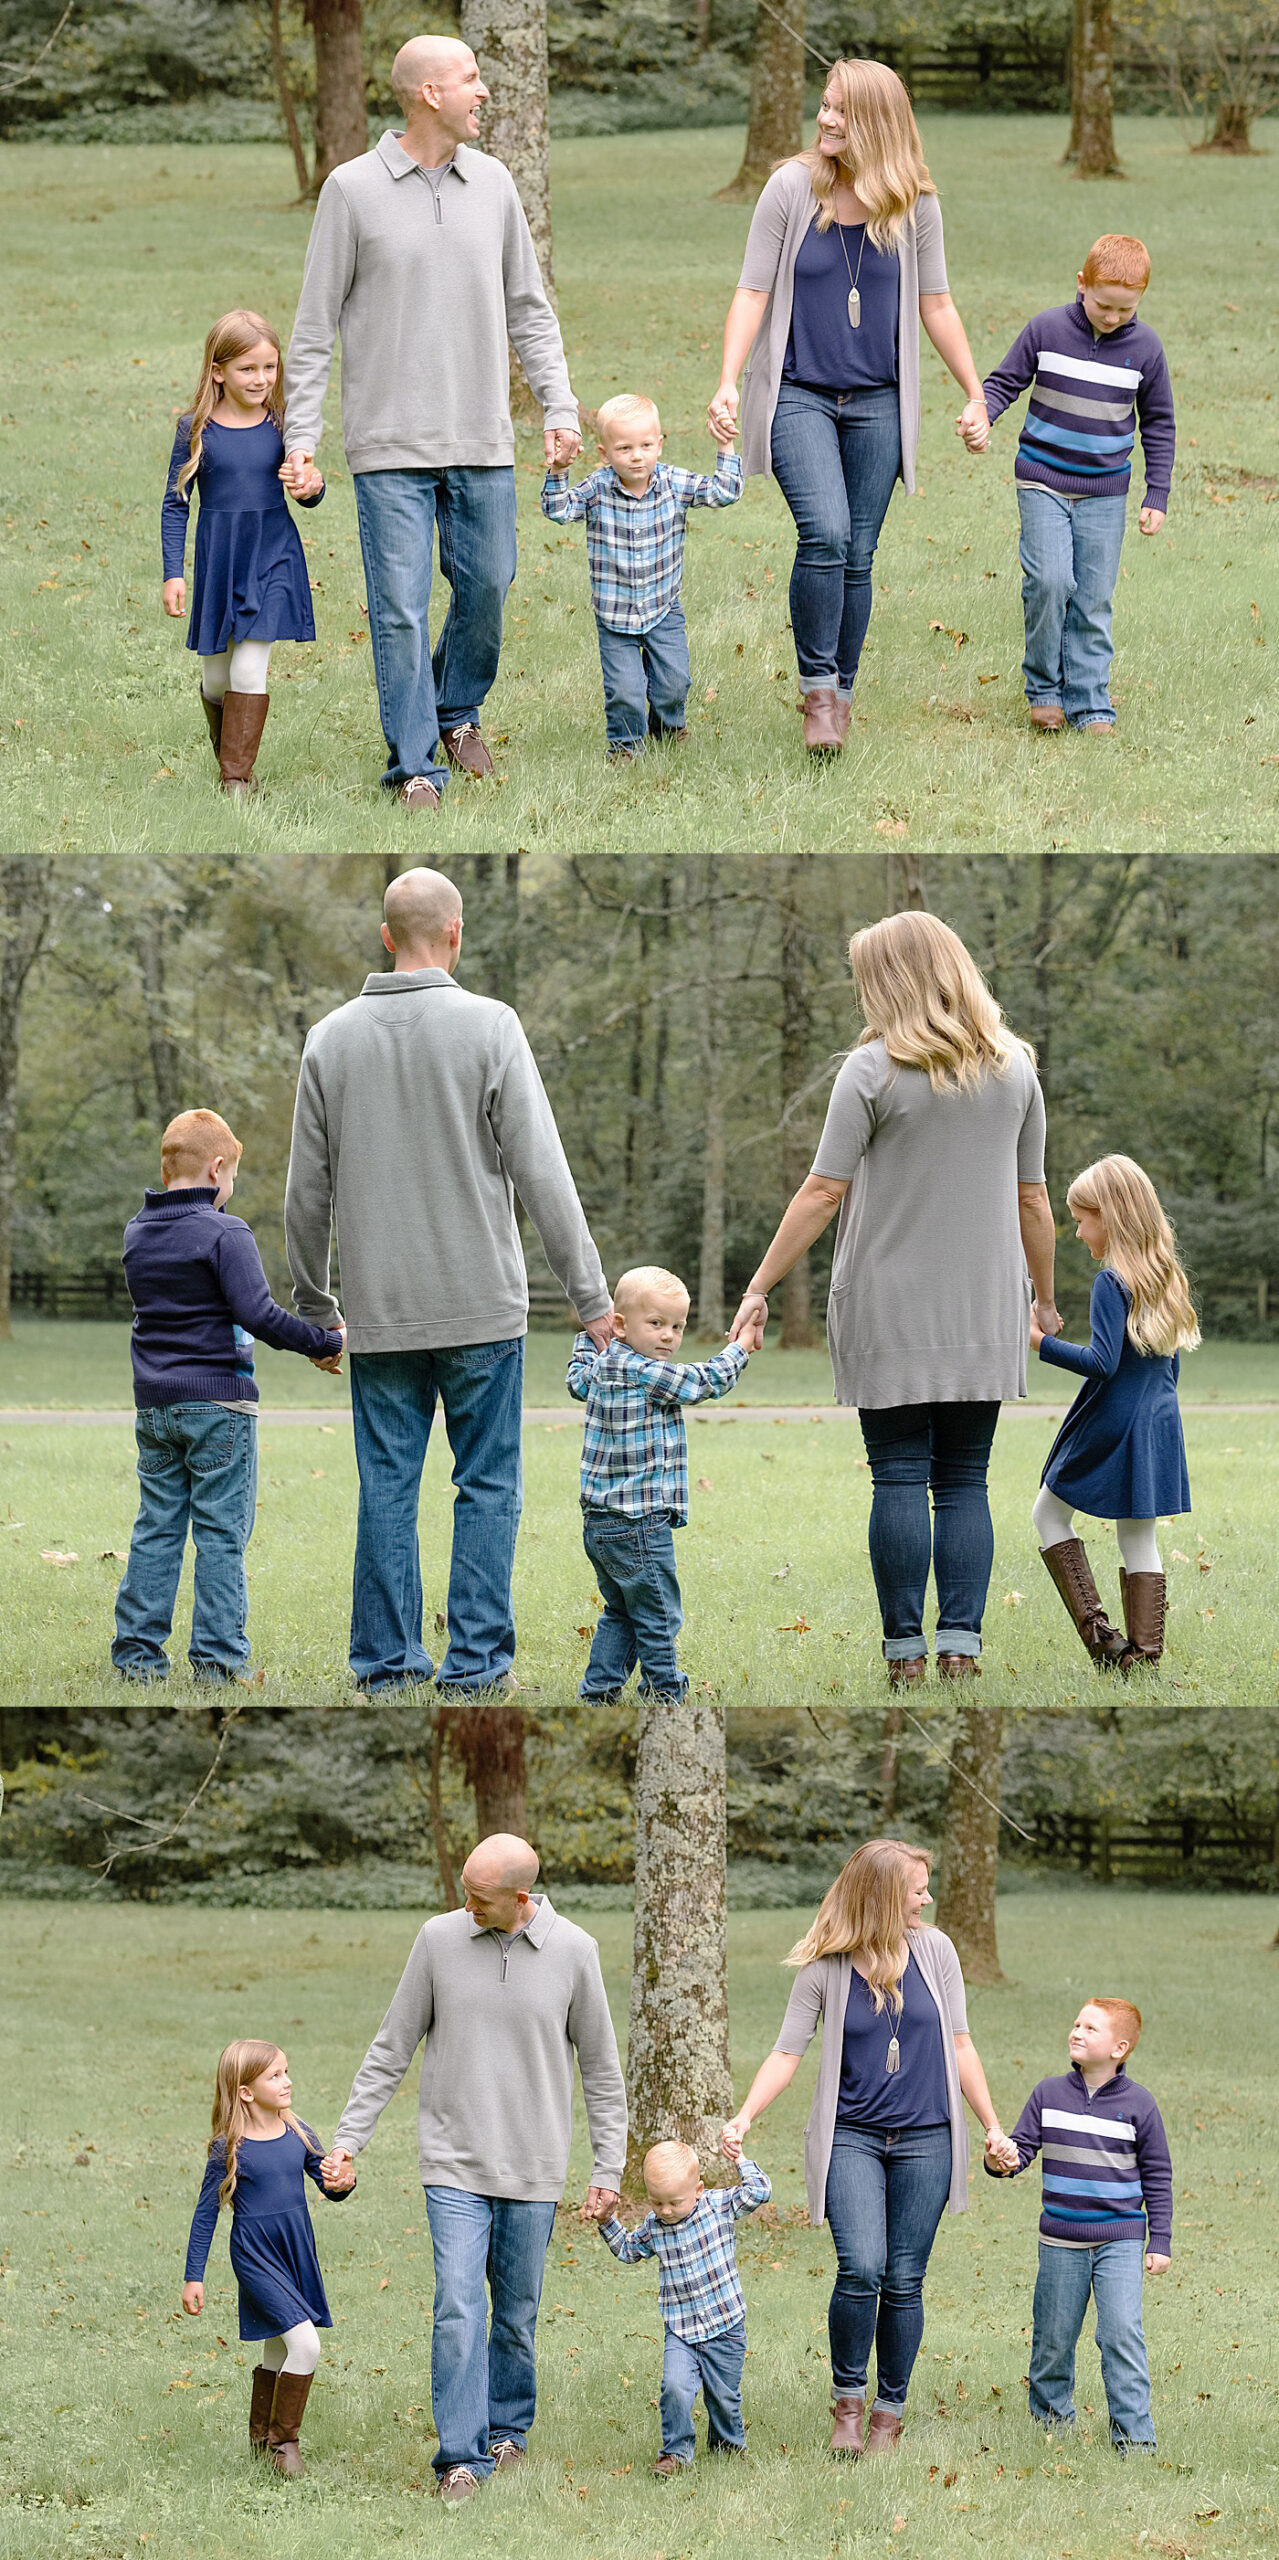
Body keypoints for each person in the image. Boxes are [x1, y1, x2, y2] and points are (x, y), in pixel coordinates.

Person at [284, 866, 611, 1695]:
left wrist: (318, 1310)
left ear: (386, 936)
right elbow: (543, 1171)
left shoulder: (329, 1037)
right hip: (480, 1309)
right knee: (487, 1486)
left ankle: (388, 1666)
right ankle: (473, 1666)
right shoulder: (490, 1025)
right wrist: (592, 1299)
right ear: (454, 934)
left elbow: (303, 1196)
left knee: (387, 1485)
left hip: (382, 1313)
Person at [729, 911, 1058, 1684]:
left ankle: (904, 1654)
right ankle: (961, 1650)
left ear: (892, 981)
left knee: (900, 1475)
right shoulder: (1015, 1070)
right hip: (984, 1308)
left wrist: (758, 1284)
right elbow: (1034, 1202)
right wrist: (1042, 1299)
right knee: (965, 1479)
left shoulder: (871, 1070)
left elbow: (820, 1192)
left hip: (887, 1307)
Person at [281, 35, 582, 808]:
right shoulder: (351, 190)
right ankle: (415, 763)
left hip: (479, 434)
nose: (484, 91)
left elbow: (529, 309)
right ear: (426, 94)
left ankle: (456, 709)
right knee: (400, 610)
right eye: (471, 79)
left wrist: (558, 403)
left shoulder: (496, 185)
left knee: (488, 584)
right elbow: (313, 329)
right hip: (388, 445)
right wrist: (302, 439)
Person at [318, 1834, 627, 2504]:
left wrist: (609, 2167)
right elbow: (390, 2047)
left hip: (534, 2168)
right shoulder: (437, 1940)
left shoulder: (575, 1951)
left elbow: (603, 2071)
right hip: (452, 2163)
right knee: (458, 2308)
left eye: (478, 1895)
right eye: (464, 1888)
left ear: (520, 1899)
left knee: (515, 2315)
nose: (465, 1903)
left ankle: (507, 2432)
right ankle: (459, 2459)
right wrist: (347, 2142)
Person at [707, 58, 987, 754]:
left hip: (878, 403)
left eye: (840, 109)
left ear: (877, 122)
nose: (825, 118)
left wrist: (975, 392)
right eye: (824, 105)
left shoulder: (915, 203)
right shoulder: (788, 188)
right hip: (799, 393)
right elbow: (751, 291)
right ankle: (816, 693)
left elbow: (937, 303)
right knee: (825, 533)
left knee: (858, 553)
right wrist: (726, 380)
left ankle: (842, 694)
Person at [720, 1839, 1009, 2459]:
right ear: (881, 1896)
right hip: (851, 2135)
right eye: (916, 1888)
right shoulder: (825, 1968)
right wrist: (745, 2115)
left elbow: (960, 2043)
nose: (927, 1898)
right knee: (862, 2267)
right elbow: (786, 2052)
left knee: (905, 2279)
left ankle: (888, 2412)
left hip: (929, 2136)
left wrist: (990, 2124)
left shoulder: (937, 1950)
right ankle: (848, 2403)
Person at [112, 1109, 344, 1687]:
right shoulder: (225, 1231)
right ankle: (216, 1663)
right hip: (219, 1405)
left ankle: (137, 1659)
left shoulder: (137, 1231)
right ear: (217, 1169)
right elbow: (257, 1313)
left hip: (155, 1405)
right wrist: (323, 1341)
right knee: (220, 1534)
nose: (231, 1187)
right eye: (233, 1175)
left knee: (156, 1528)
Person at [957, 234, 1175, 735]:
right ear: (1082, 284)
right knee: (1050, 582)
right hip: (1042, 481)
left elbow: (1159, 423)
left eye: (1126, 308)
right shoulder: (1047, 329)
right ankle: (1045, 690)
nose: (1112, 316)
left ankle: (1090, 701)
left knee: (1094, 596)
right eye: (1103, 304)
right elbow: (1004, 381)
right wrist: (982, 414)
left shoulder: (1146, 349)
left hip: (1105, 491)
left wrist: (1156, 493)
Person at [1031, 1154, 1198, 1671]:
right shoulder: (1166, 1274)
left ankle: (1105, 1644)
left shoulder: (1112, 1281)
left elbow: (1103, 1363)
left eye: (1082, 1219)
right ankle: (1144, 1656)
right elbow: (1168, 1369)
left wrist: (1037, 1342)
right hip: (1157, 1421)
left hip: (1113, 1420)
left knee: (1048, 1513)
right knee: (1137, 1535)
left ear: (1111, 1215)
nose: (1078, 1233)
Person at [984, 1997, 1172, 2453]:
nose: (1077, 2032)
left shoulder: (1139, 2104)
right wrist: (1000, 2160)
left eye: (1091, 2028)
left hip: (1121, 2239)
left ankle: (1134, 2440)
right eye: (1076, 2024)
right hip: (1060, 2240)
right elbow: (1021, 2150)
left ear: (1119, 2047)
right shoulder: (1049, 2094)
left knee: (1121, 2333)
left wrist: (1159, 2240)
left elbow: (1158, 2174)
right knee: (1053, 2335)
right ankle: (1051, 2426)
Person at [161, 310, 325, 797]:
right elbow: (175, 506)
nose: (261, 379)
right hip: (218, 561)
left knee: (248, 669)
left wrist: (311, 487)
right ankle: (229, 756)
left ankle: (236, 783)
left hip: (273, 556)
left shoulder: (282, 425)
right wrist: (174, 574)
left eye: (270, 368)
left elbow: (310, 489)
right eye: (247, 369)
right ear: (218, 371)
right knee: (216, 680)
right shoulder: (195, 428)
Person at [566, 1264, 749, 1700]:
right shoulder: (643, 1371)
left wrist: (586, 1340)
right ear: (621, 1325)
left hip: (599, 1524)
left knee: (622, 1611)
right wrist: (740, 1348)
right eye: (656, 1324)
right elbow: (705, 1381)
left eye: (677, 1326)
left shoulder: (601, 1367)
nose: (668, 1336)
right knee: (658, 1616)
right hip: (639, 1523)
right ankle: (665, 1693)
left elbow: (576, 1378)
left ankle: (600, 1692)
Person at [182, 2040, 355, 2477]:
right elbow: (206, 2214)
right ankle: (285, 2446)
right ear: (245, 2091)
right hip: (255, 2254)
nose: (287, 2080)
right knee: (305, 2344)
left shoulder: (298, 2131)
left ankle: (261, 2442)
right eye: (275, 2075)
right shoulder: (229, 2147)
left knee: (279, 2344)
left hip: (295, 2250)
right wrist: (193, 2277)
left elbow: (328, 2185)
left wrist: (342, 2180)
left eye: (286, 2071)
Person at [540, 393, 742, 759]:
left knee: (674, 683)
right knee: (625, 690)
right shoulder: (597, 489)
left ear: (659, 445)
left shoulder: (673, 484)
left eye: (646, 445)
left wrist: (725, 445)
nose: (637, 456)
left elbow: (723, 492)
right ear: (604, 454)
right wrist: (558, 471)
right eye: (624, 448)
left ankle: (667, 726)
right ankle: (625, 745)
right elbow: (558, 510)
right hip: (615, 614)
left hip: (663, 608)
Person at [597, 2141, 772, 2476]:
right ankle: (675, 2453)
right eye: (657, 2201)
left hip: (725, 2325)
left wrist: (741, 2160)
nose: (665, 2210)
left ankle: (727, 2449)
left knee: (723, 2397)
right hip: (681, 2329)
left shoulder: (718, 2205)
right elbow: (629, 2250)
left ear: (698, 2189)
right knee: (675, 2387)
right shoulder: (654, 2225)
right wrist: (607, 2221)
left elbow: (760, 2191)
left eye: (674, 2201)